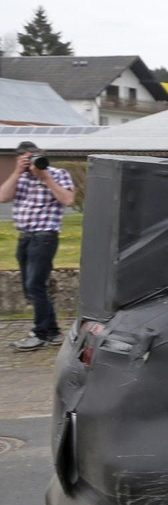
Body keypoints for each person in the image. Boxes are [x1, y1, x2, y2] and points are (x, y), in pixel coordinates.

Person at [0, 141, 75, 351]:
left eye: (34, 156)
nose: (32, 160)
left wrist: (45, 178)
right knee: (30, 287)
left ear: (41, 154)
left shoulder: (58, 174)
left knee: (35, 285)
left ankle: (39, 333)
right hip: (24, 237)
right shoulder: (20, 177)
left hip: (44, 236)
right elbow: (3, 196)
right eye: (26, 157)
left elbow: (68, 200)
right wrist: (17, 171)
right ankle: (52, 332)